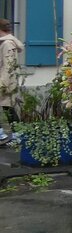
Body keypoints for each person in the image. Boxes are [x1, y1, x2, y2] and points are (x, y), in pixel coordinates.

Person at [0, 17, 24, 146]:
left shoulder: (7, 44)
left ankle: (15, 135)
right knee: (8, 108)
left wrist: (2, 84)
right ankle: (15, 135)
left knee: (8, 108)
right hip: (7, 80)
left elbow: (8, 66)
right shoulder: (6, 43)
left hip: (5, 81)